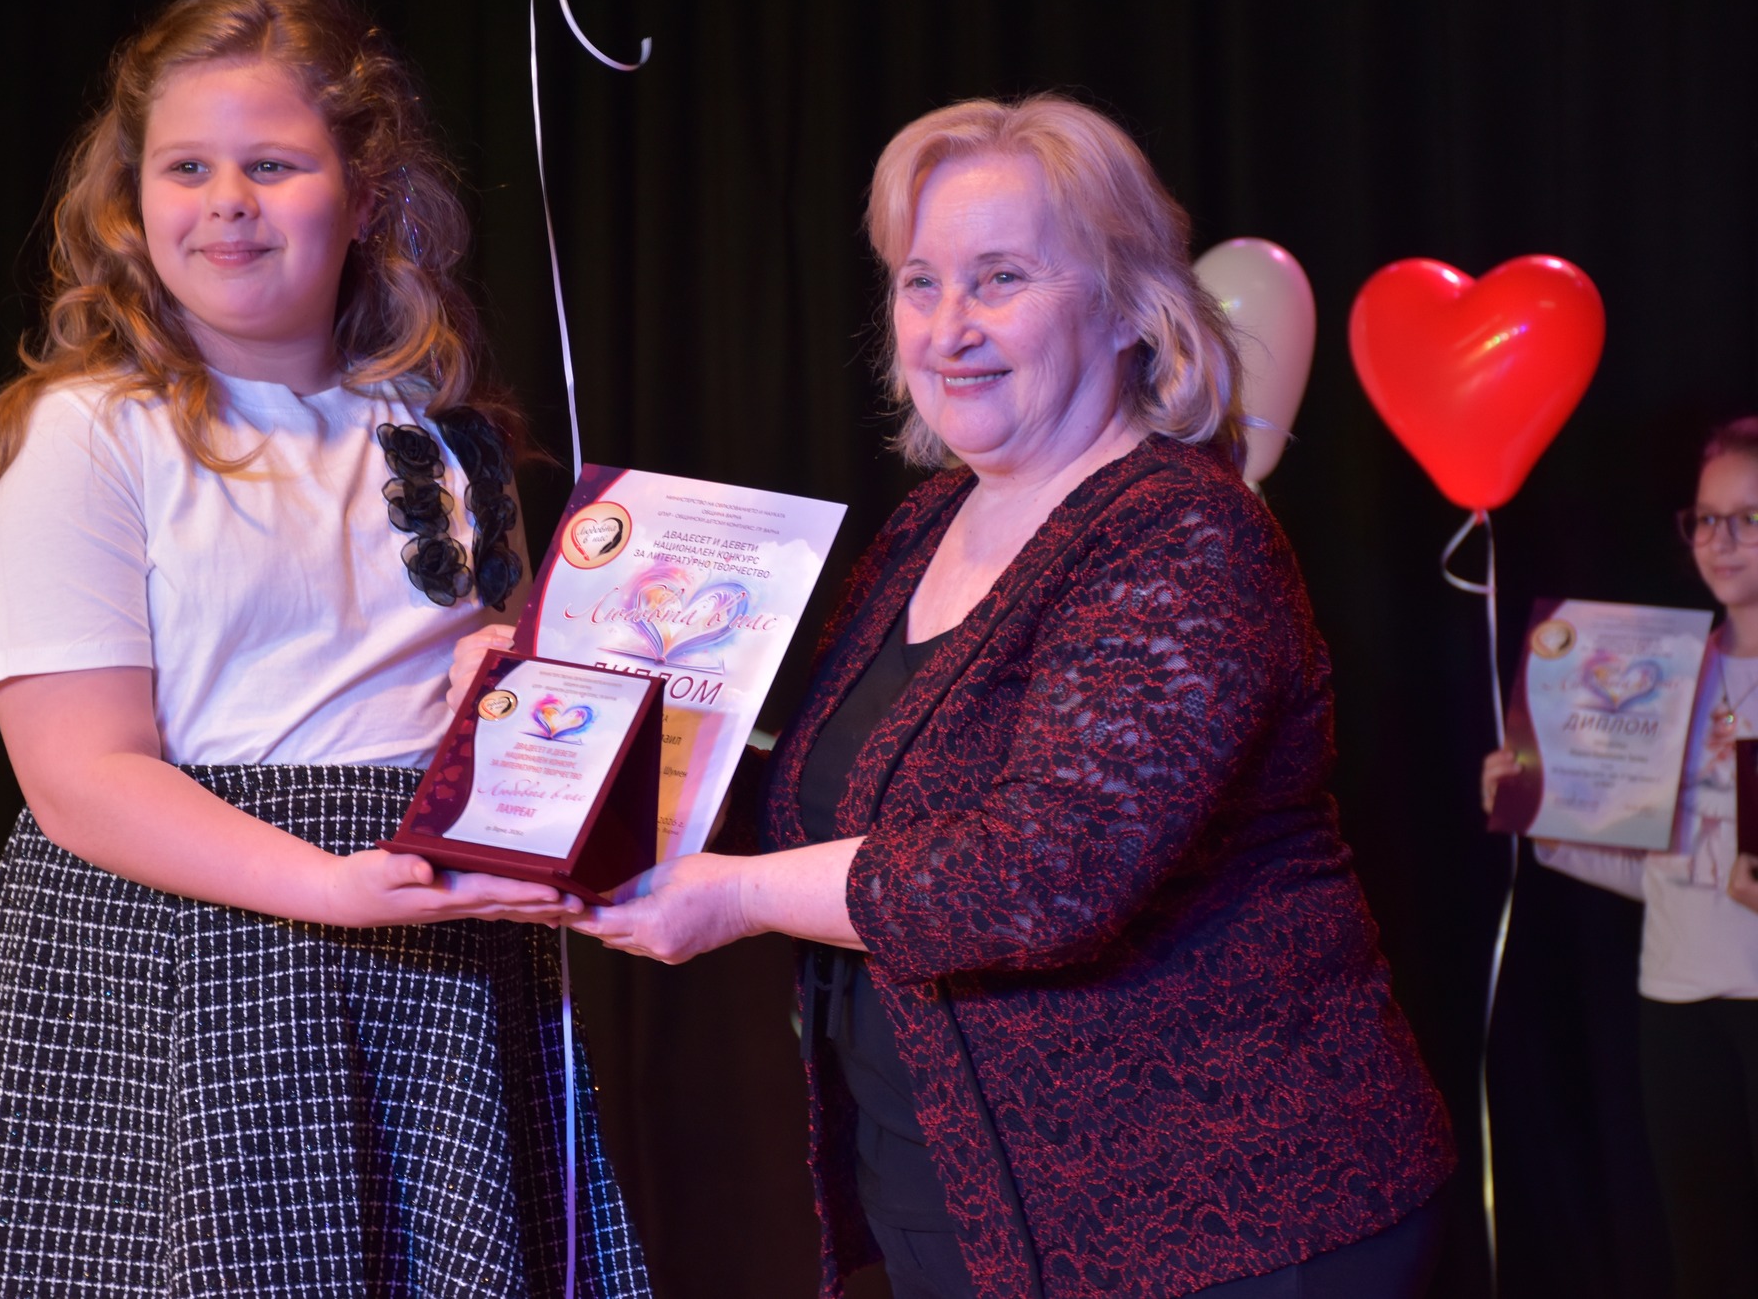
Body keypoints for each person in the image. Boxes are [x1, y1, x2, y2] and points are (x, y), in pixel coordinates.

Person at [566, 95, 1457, 1299]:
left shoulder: (1182, 532)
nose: (948, 328)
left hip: (1231, 1227)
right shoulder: (927, 525)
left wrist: (733, 899)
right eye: (919, 282)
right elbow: (827, 812)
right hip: (970, 1219)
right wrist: (574, 717)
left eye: (999, 278)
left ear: (1129, 306)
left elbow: (1040, 874)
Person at [0, 0, 651, 1298]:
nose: (227, 200)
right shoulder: (92, 432)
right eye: (187, 168)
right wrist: (326, 885)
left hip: (427, 951)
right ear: (130, 204)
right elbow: (79, 774)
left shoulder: (441, 428)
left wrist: (499, 675)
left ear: (363, 194)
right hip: (192, 958)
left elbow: (483, 677)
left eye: (274, 165)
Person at [1481, 416, 1758, 1299]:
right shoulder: (1667, 672)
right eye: (1706, 518)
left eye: (1748, 519)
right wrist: (1539, 809)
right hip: (1675, 1002)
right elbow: (1658, 871)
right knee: (1707, 1266)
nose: (1721, 540)